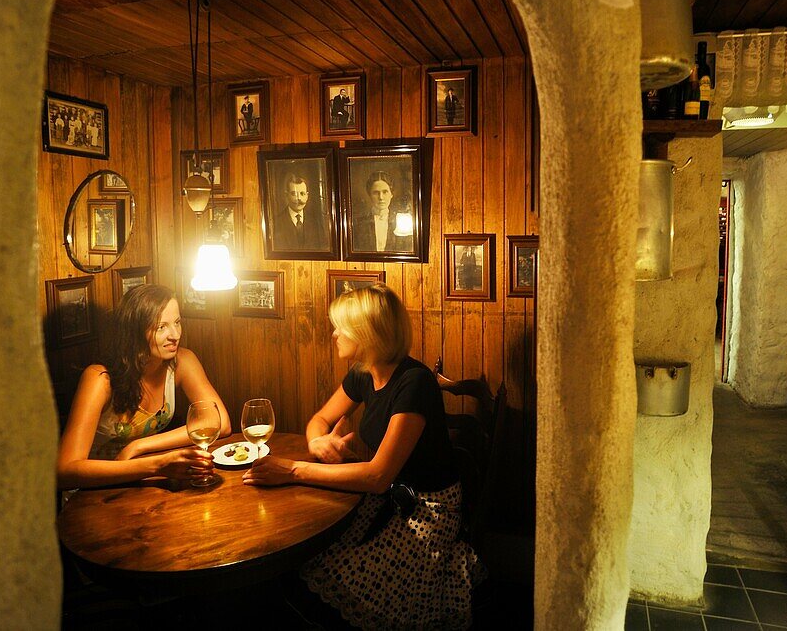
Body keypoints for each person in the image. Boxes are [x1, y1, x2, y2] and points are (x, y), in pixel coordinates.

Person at [244, 284, 483, 629]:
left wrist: (295, 470)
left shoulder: (414, 383)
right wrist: (317, 444)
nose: (334, 333)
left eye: (342, 326)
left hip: (426, 508)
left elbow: (377, 476)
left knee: (330, 572)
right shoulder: (363, 373)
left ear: (367, 333)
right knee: (309, 555)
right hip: (389, 494)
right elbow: (319, 420)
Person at [56, 284, 231, 489]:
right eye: (161, 327)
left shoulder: (182, 360)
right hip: (93, 492)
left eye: (177, 322)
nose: (174, 335)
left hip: (143, 481)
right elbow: (65, 472)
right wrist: (156, 465)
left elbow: (220, 422)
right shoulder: (100, 379)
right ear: (135, 332)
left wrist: (139, 445)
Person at [351, 171, 412, 253]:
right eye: (376, 193)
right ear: (369, 195)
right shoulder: (358, 224)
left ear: (391, 194)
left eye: (385, 192)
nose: (381, 197)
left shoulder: (402, 222)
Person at [274, 173, 328, 250]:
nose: (298, 198)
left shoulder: (316, 222)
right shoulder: (276, 222)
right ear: (287, 195)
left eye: (302, 194)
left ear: (307, 196)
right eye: (294, 194)